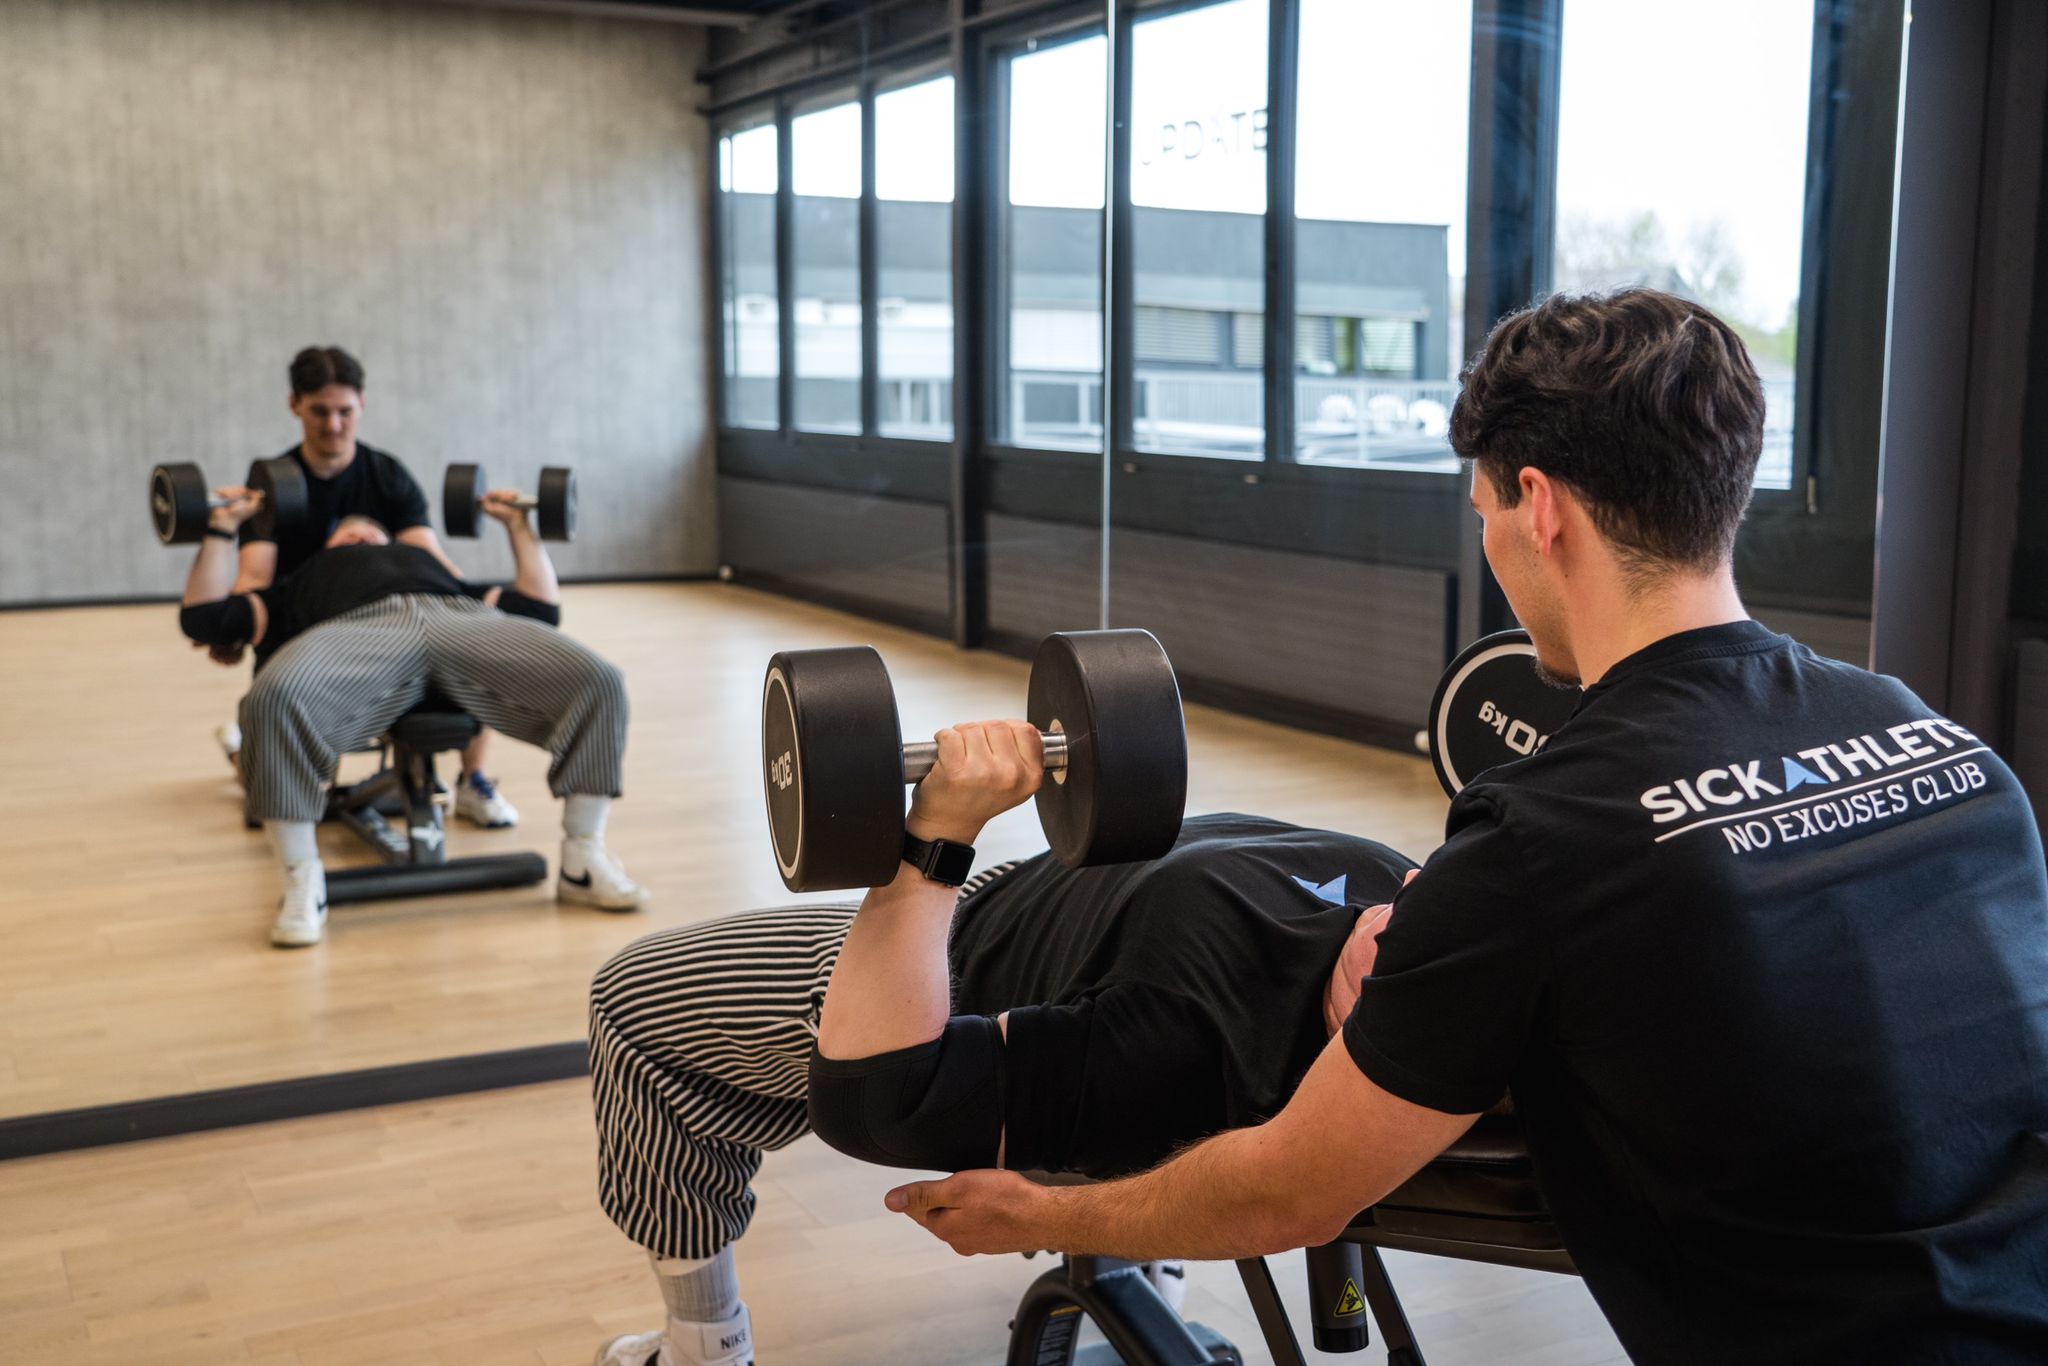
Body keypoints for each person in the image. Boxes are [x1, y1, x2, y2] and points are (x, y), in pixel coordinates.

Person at [877, 290, 2048, 1364]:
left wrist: (1041, 1213)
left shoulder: (1545, 834)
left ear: (1536, 508)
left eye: (1481, 505)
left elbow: (1291, 1193)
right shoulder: (1940, 743)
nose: (1488, 538)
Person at [585, 804, 1419, 1366]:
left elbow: (883, 1093)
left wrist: (938, 833)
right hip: (1052, 901)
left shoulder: (1174, 1036)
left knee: (631, 1003)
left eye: (1420, 953)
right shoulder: (1443, 903)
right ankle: (1161, 1281)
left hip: (954, 958)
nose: (1409, 906)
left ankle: (702, 1346)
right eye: (1430, 895)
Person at [180, 482, 647, 947]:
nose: (359, 534)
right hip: (356, 629)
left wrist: (520, 527)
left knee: (598, 679)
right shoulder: (301, 581)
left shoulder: (437, 570)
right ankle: (303, 878)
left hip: (457, 617)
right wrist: (222, 528)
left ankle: (582, 861)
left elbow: (541, 609)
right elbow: (203, 618)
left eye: (371, 532)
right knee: (269, 699)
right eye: (346, 535)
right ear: (327, 548)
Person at [208, 345, 520, 830]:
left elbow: (429, 559)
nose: (333, 425)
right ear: (294, 406)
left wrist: (475, 604)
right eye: (319, 412)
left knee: (469, 647)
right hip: (299, 629)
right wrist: (229, 628)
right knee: (272, 794)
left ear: (362, 405)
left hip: (386, 624)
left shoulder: (388, 476)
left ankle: (472, 780)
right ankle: (247, 749)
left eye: (344, 411)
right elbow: (254, 575)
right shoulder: (275, 483)